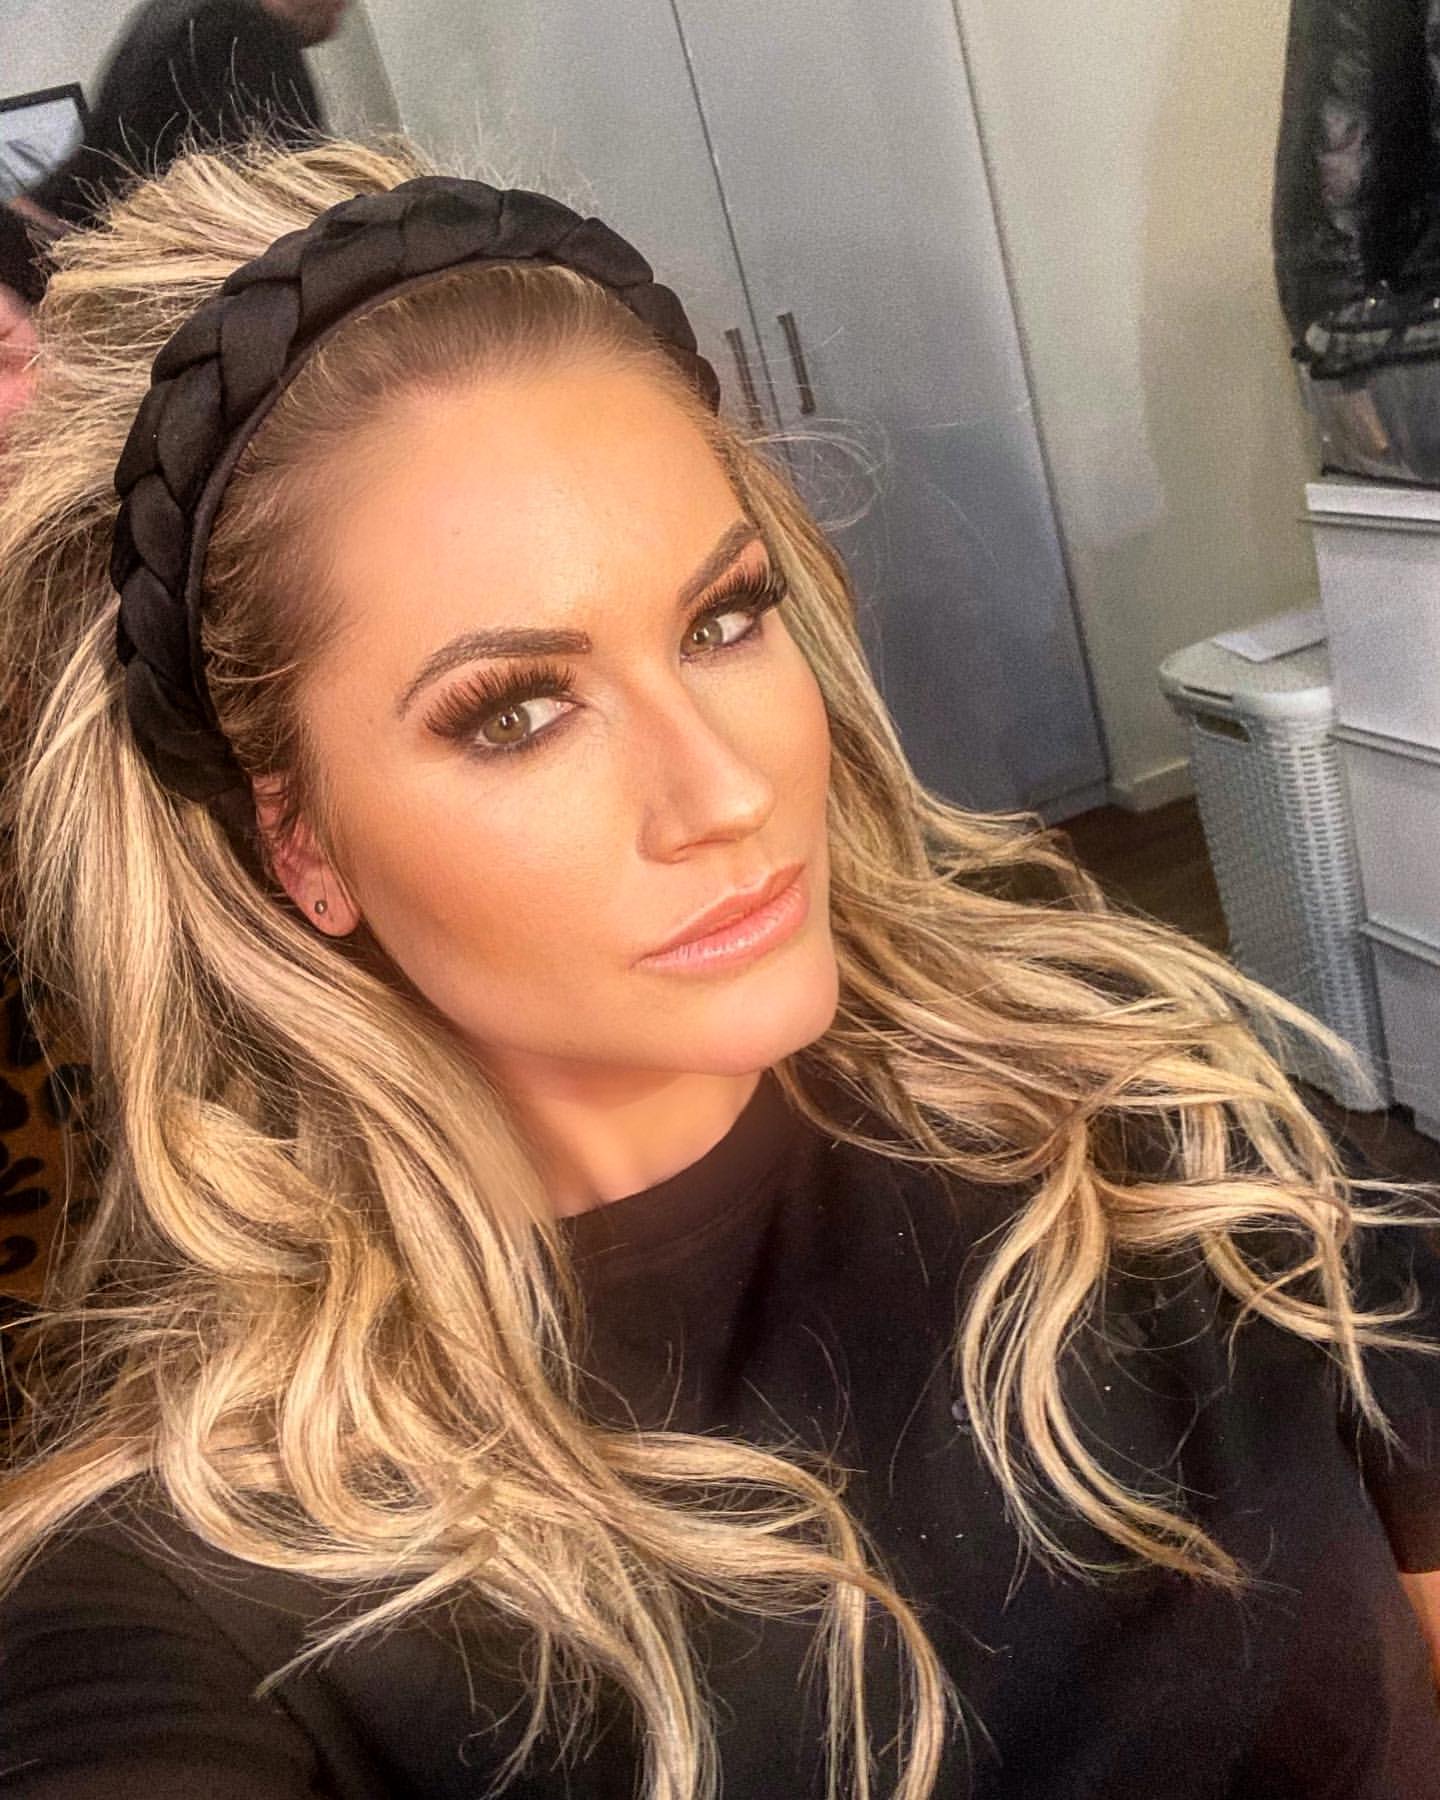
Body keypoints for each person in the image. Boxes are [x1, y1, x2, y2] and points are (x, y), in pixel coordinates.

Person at [0, 136, 1439, 1800]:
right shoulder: (206, 1602)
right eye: (516, 712)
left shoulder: (1170, 1135)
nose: (726, 789)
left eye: (724, 619)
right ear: (297, 842)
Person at [0, 0, 346, 310]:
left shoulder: (169, 13)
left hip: (68, 269)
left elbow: (91, 176)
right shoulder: (244, 33)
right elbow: (290, 239)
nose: (342, 8)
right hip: (147, 306)